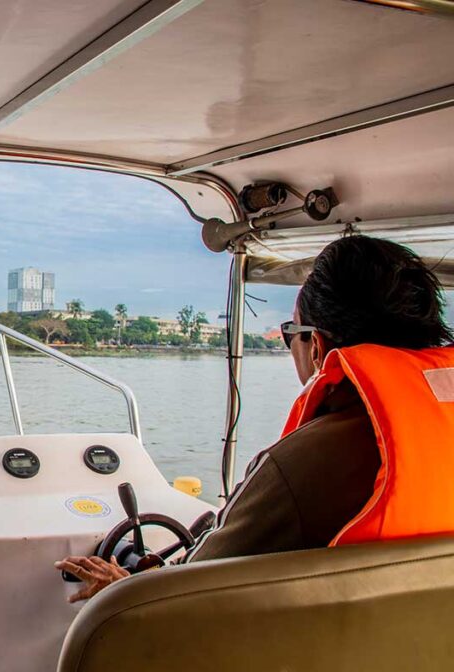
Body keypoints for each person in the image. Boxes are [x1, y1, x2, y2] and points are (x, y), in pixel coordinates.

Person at [57, 235, 454, 603]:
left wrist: (123, 588)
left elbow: (186, 596)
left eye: (289, 333)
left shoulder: (302, 465)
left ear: (316, 346)